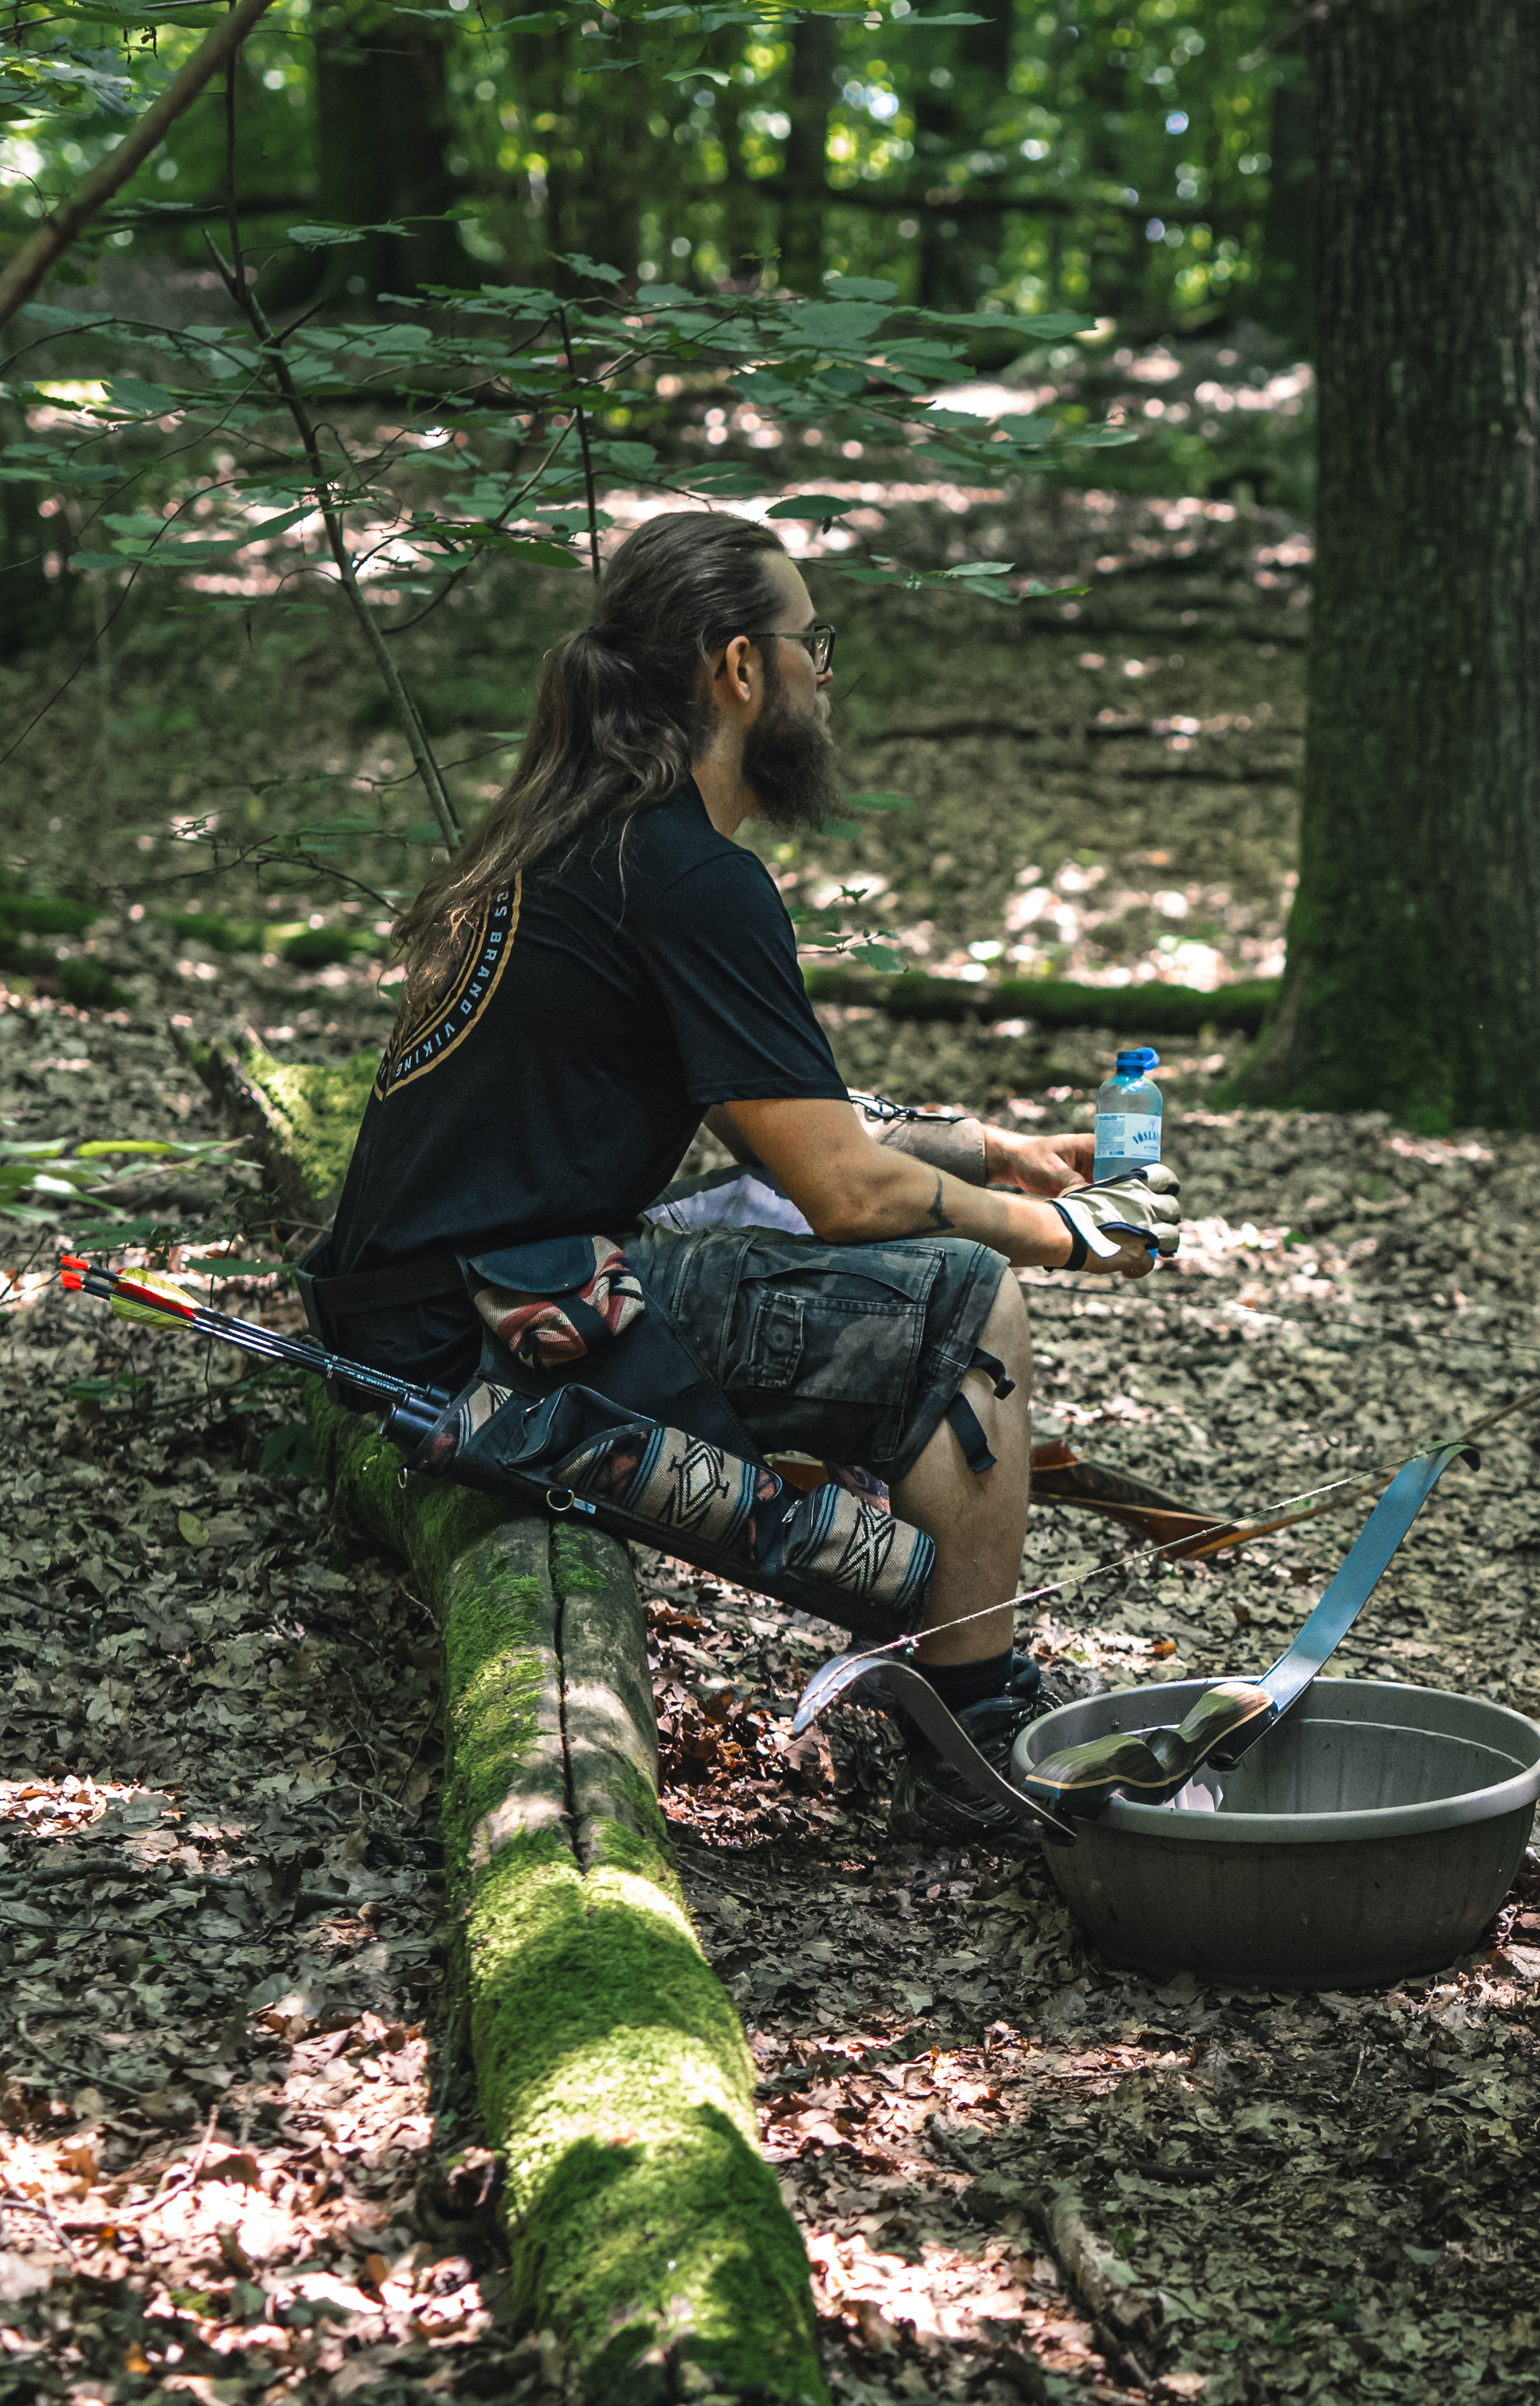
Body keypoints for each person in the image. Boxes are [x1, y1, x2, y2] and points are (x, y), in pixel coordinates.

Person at [298, 510, 1180, 1839]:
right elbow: (846, 1194)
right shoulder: (685, 875)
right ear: (740, 668)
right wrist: (1066, 1236)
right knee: (965, 1302)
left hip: (432, 1303)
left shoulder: (584, 838)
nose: (825, 672)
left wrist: (995, 1152)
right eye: (811, 642)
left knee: (836, 1235)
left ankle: (937, 1658)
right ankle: (974, 1736)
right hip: (481, 1338)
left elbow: (778, 1129)